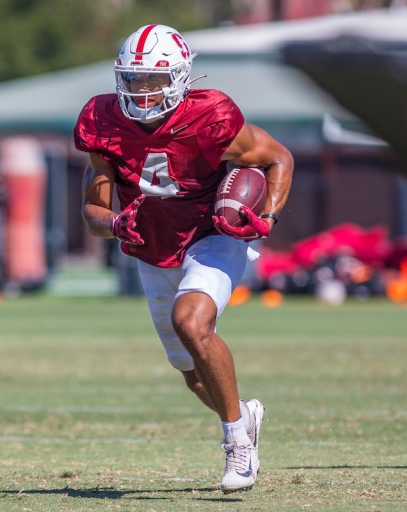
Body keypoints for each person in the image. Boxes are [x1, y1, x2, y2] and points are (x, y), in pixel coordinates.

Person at [74, 24, 294, 493]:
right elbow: (93, 208)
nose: (143, 91)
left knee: (190, 322)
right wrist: (114, 224)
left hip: (212, 232)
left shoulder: (212, 115)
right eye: (133, 80)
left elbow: (279, 159)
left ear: (180, 77)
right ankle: (244, 416)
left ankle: (236, 442)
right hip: (153, 246)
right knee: (195, 378)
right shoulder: (102, 120)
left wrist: (266, 218)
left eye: (153, 80)